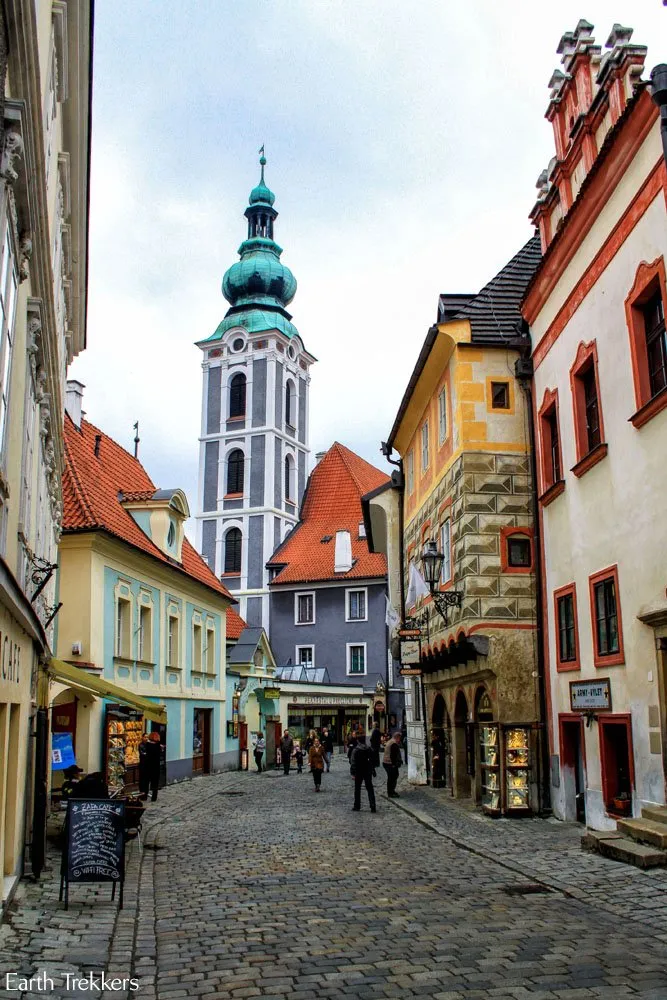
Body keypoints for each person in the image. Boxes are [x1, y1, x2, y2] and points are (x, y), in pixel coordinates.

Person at [350, 731, 376, 812]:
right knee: (370, 788)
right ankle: (372, 805)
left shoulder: (356, 750)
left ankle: (357, 805)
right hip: (367, 770)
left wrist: (352, 772)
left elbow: (353, 762)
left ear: (358, 740)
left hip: (358, 771)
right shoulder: (369, 749)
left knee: (357, 789)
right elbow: (372, 760)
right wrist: (373, 770)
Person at [140, 731, 163, 802]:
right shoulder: (159, 746)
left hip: (148, 766)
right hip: (156, 767)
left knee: (146, 782)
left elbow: (145, 754)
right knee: (155, 783)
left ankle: (144, 797)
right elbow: (160, 754)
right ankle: (154, 797)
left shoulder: (147, 745)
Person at [383, 731, 403, 798]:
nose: (400, 740)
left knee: (392, 777)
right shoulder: (394, 744)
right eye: (400, 738)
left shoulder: (390, 741)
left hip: (386, 763)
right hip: (390, 764)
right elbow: (393, 756)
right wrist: (394, 765)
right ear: (397, 737)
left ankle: (391, 791)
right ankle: (391, 792)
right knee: (392, 778)